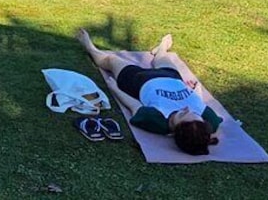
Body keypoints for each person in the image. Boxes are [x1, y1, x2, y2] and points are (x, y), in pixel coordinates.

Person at [77, 29, 222, 155]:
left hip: (138, 80)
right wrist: (196, 90)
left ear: (173, 131)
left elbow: (133, 105)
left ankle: (90, 48)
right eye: (194, 113)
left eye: (182, 114)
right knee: (162, 58)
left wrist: (114, 88)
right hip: (172, 78)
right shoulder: (209, 122)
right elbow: (199, 102)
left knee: (110, 60)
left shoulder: (158, 121)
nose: (186, 108)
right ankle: (161, 50)